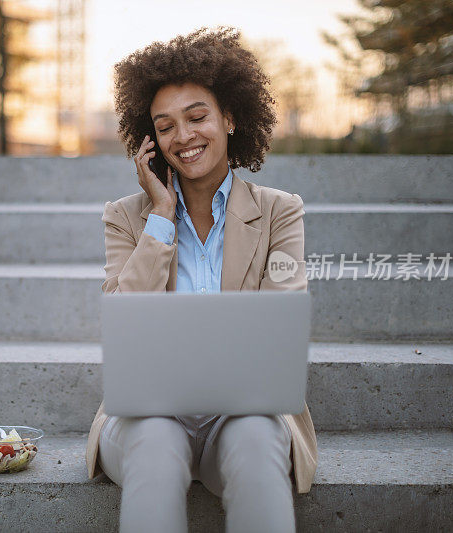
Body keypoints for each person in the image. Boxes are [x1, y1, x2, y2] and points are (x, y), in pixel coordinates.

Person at [84, 27, 317, 533]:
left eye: (197, 117)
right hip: (148, 416)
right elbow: (125, 313)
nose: (183, 137)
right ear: (150, 141)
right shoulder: (126, 218)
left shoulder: (281, 212)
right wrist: (162, 216)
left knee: (256, 437)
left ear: (230, 117)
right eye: (165, 126)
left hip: (243, 413)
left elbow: (280, 323)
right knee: (154, 441)